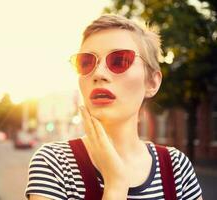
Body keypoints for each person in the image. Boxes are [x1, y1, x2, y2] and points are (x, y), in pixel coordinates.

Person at [25, 14, 203, 200]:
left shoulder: (176, 168)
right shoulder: (54, 163)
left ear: (151, 82)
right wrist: (116, 185)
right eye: (86, 63)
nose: (98, 73)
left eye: (119, 61)